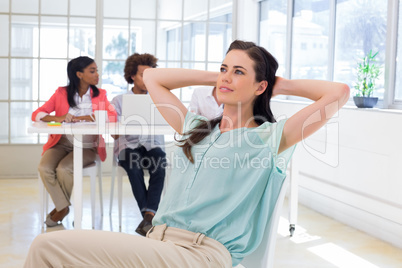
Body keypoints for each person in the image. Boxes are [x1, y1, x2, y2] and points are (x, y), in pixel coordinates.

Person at [24, 40, 349, 267]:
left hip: (200, 256)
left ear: (260, 87)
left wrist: (276, 83)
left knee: (46, 247)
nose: (226, 76)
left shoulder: (270, 138)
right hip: (158, 245)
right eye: (224, 68)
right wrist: (225, 78)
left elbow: (338, 93)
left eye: (238, 72)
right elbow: (152, 77)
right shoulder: (195, 127)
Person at [32, 56, 117, 227]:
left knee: (64, 169)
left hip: (87, 146)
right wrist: (59, 117)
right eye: (92, 71)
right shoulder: (61, 93)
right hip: (61, 143)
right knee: (44, 167)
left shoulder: (101, 94)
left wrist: (84, 117)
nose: (97, 74)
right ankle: (63, 207)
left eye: (97, 70)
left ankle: (59, 209)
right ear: (79, 74)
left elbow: (112, 116)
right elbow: (38, 114)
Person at [111, 53, 166, 236]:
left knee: (159, 165)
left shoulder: (160, 99)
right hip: (128, 145)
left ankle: (148, 217)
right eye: (143, 75)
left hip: (152, 145)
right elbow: (114, 133)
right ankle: (149, 217)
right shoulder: (118, 101)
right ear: (133, 76)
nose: (147, 80)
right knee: (133, 166)